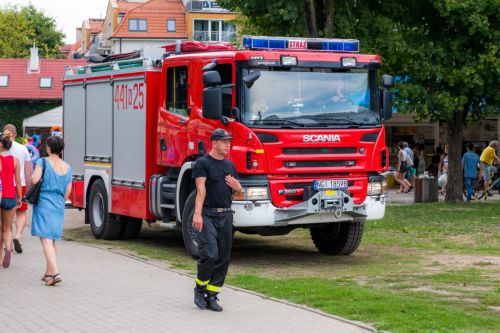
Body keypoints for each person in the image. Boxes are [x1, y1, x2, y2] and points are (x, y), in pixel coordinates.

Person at [192, 128, 242, 311]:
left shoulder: (230, 166)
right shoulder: (203, 163)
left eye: (229, 141)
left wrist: (238, 188)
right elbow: (201, 189)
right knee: (210, 254)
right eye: (224, 141)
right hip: (208, 214)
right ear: (214, 142)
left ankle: (212, 295)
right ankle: (199, 289)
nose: (228, 144)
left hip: (226, 215)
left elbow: (236, 195)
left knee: (223, 257)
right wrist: (197, 214)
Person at [30, 136, 72, 286]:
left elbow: (34, 180)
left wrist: (31, 173)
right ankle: (48, 274)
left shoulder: (42, 162)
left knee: (45, 239)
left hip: (44, 203)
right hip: (58, 204)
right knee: (52, 239)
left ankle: (55, 273)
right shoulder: (67, 167)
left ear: (48, 148)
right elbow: (68, 191)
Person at [3, 124, 31, 254]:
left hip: (5, 186)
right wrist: (30, 187)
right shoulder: (23, 149)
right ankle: (18, 235)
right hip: (21, 185)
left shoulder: (2, 147)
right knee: (22, 213)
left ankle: (6, 245)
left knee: (6, 218)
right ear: (16, 134)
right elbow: (27, 170)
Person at [0, 133, 22, 268]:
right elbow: (18, 181)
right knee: (7, 228)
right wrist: (19, 197)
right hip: (10, 196)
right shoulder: (15, 160)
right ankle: (8, 249)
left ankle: (0, 257)